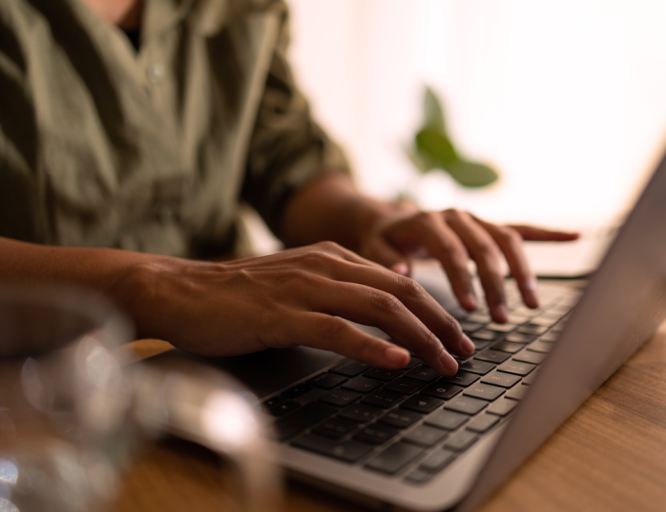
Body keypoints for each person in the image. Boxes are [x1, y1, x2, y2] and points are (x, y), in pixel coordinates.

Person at [0, 0, 577, 376]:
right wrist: (157, 289)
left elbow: (283, 157)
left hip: (221, 375)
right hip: (38, 396)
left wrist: (366, 218)